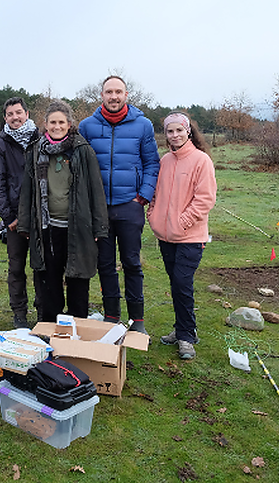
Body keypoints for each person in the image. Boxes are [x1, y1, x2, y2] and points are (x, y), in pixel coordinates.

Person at [79, 75, 160, 333]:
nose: (113, 96)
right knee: (104, 264)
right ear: (101, 95)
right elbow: (79, 166)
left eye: (118, 92)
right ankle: (112, 316)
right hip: (99, 208)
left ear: (126, 94)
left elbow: (152, 163)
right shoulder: (87, 127)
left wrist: (143, 196)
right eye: (108, 92)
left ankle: (137, 320)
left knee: (132, 263)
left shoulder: (143, 126)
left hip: (129, 205)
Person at [18, 100, 108, 323]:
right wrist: (25, 223)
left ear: (69, 124)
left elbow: (95, 189)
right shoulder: (35, 150)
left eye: (61, 122)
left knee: (78, 278)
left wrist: (99, 226)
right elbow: (28, 190)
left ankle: (78, 324)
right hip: (47, 227)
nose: (56, 126)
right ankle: (50, 325)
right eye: (52, 122)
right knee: (49, 278)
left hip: (78, 227)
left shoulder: (82, 150)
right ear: (45, 124)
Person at [147, 112, 216, 360]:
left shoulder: (201, 161)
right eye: (169, 131)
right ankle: (182, 329)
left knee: (182, 284)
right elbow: (156, 193)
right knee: (176, 285)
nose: (174, 135)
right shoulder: (165, 161)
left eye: (179, 130)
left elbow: (205, 198)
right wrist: (153, 215)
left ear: (188, 131)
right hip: (165, 237)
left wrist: (182, 222)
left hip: (190, 237)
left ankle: (187, 337)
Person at [0, 97, 41, 328]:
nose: (15, 117)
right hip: (14, 220)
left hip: (41, 217)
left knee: (42, 267)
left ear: (27, 114)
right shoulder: (0, 146)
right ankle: (19, 313)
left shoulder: (40, 139)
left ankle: (44, 311)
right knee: (16, 267)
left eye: (18, 112)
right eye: (10, 114)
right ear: (5, 118)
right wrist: (8, 217)